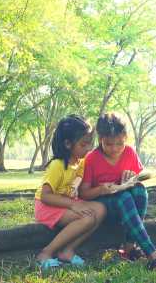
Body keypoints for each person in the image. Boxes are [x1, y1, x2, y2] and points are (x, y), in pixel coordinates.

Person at [80, 112, 156, 272]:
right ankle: (153, 255)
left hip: (127, 205)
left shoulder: (129, 153)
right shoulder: (92, 158)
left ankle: (129, 246)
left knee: (139, 191)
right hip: (103, 207)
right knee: (123, 197)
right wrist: (102, 189)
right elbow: (83, 193)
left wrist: (132, 178)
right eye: (108, 144)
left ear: (126, 138)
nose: (115, 149)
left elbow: (139, 178)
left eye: (119, 143)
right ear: (100, 138)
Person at [34, 115, 106, 271]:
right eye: (83, 144)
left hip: (67, 203)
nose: (88, 149)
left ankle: (67, 251)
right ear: (68, 144)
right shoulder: (57, 165)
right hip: (48, 206)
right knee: (87, 218)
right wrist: (74, 205)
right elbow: (45, 196)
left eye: (89, 144)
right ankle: (46, 252)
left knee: (100, 209)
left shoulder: (80, 162)